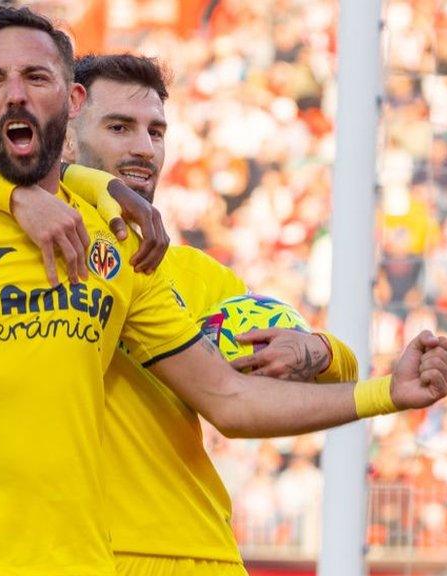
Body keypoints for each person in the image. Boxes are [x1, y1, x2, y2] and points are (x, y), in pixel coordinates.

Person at [0, 6, 447, 575]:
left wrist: (382, 392)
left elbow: (227, 394)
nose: (16, 95)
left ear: (68, 101)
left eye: (36, 77)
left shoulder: (121, 254)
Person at [62, 53, 358, 575]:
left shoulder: (195, 273)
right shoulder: (18, 248)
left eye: (156, 132)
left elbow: (321, 374)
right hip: (70, 553)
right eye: (119, 127)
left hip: (198, 554)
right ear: (66, 134)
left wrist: (315, 350)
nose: (143, 147)